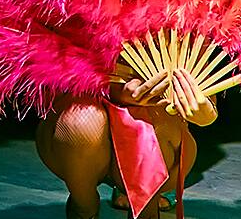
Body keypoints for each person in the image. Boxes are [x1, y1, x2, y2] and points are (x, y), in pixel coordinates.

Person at [36, 68, 217, 219]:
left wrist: (205, 114)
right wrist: (114, 90)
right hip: (81, 133)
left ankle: (147, 209)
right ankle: (83, 206)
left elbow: (207, 102)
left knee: (157, 118)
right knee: (83, 121)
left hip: (158, 135)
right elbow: (54, 75)